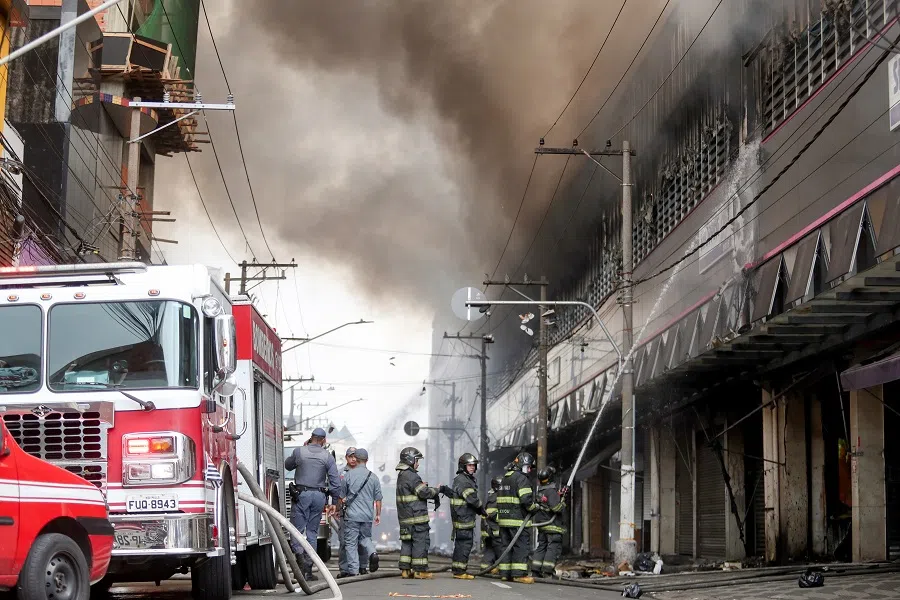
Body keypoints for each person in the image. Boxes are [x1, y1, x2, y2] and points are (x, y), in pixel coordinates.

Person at [284, 427, 341, 581]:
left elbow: (287, 465)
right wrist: (334, 502)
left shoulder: (299, 452)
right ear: (323, 440)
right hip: (319, 496)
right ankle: (308, 569)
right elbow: (335, 483)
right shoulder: (328, 456)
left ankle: (300, 557)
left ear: (311, 438)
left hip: (302, 495)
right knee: (312, 533)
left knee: (296, 530)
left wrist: (302, 449)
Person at [395, 446, 439, 579]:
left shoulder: (402, 475)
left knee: (407, 543)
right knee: (420, 542)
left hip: (405, 519)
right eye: (417, 460)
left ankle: (405, 570)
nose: (418, 463)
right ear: (410, 460)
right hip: (417, 519)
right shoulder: (412, 475)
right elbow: (423, 492)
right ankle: (420, 571)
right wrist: (436, 490)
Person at [441, 453, 487, 579]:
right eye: (470, 465)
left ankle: (458, 570)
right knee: (465, 544)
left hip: (462, 518)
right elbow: (471, 499)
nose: (472, 467)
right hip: (464, 519)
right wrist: (481, 508)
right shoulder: (463, 481)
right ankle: (460, 572)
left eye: (474, 465)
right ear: (463, 466)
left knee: (461, 545)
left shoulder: (462, 479)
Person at [338, 448, 382, 578]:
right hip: (367, 516)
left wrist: (338, 508)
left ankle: (354, 570)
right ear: (367, 460)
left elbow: (341, 496)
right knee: (365, 539)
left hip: (352, 516)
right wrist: (378, 514)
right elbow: (378, 499)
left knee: (351, 543)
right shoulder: (373, 477)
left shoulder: (348, 475)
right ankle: (373, 553)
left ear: (355, 459)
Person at [496, 452, 538, 584]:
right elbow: (526, 500)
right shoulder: (521, 478)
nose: (529, 470)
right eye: (528, 467)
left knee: (506, 546)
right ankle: (519, 574)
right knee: (521, 547)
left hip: (503, 519)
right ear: (521, 465)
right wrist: (535, 507)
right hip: (517, 520)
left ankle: (505, 573)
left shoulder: (506, 477)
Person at [531, 467, 566, 578]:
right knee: (553, 547)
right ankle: (547, 571)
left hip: (542, 524)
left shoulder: (541, 491)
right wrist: (563, 503)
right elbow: (556, 508)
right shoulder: (551, 491)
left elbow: (548, 502)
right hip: (552, 525)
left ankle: (535, 569)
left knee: (542, 546)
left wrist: (559, 495)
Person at [479, 476, 502, 573]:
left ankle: (486, 567)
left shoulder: (490, 496)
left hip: (488, 531)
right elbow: (492, 514)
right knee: (501, 550)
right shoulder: (496, 497)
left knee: (490, 549)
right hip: (494, 531)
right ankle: (503, 569)